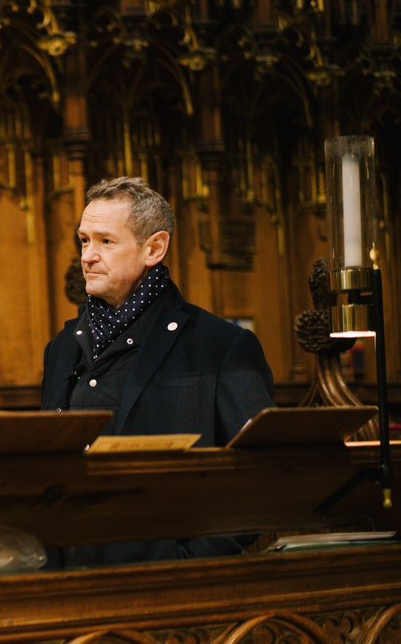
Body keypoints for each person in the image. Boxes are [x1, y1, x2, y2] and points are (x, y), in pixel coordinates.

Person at [41, 176, 275, 566]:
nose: (87, 256)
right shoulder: (62, 349)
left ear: (154, 248)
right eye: (84, 240)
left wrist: (186, 557)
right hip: (69, 583)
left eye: (106, 241)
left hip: (170, 587)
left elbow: (262, 477)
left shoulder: (220, 346)